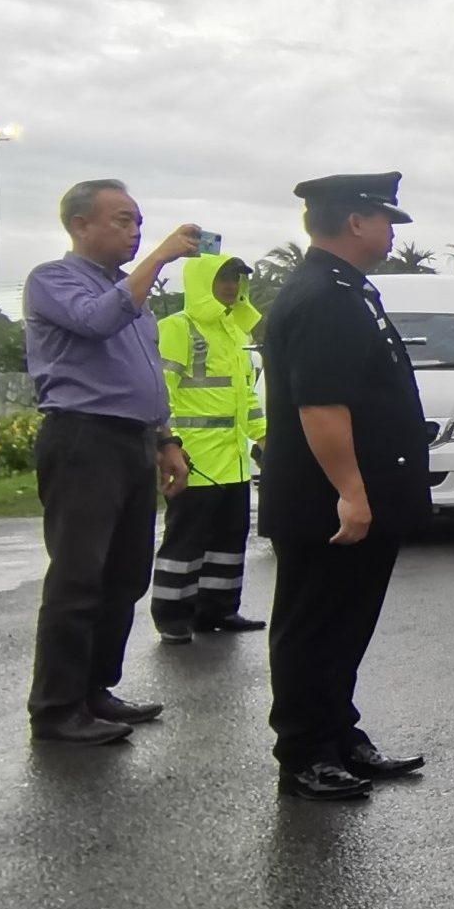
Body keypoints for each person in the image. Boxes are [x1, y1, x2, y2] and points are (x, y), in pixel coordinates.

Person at [257, 173, 431, 800]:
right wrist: (352, 493)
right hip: (326, 502)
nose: (391, 231)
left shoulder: (347, 289)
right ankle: (304, 750)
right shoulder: (322, 297)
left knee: (345, 623)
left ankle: (338, 733)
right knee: (313, 625)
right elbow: (321, 408)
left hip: (355, 495)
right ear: (355, 222)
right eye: (385, 220)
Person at [23, 180, 200, 746]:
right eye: (122, 220)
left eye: (139, 222)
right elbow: (98, 321)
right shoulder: (53, 280)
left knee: (125, 575)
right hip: (82, 438)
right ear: (79, 225)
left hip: (130, 441)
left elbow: (144, 374)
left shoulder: (132, 292)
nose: (136, 231)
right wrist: (159, 258)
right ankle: (56, 707)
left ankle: (95, 688)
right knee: (79, 577)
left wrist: (165, 439)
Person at [150, 252, 267, 643]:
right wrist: (167, 445)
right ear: (203, 283)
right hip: (193, 458)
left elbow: (246, 398)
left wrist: (264, 436)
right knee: (185, 543)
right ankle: (172, 617)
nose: (232, 285)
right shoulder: (177, 327)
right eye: (223, 278)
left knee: (229, 543)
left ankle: (217, 611)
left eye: (237, 277)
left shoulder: (236, 332)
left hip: (233, 461)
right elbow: (158, 392)